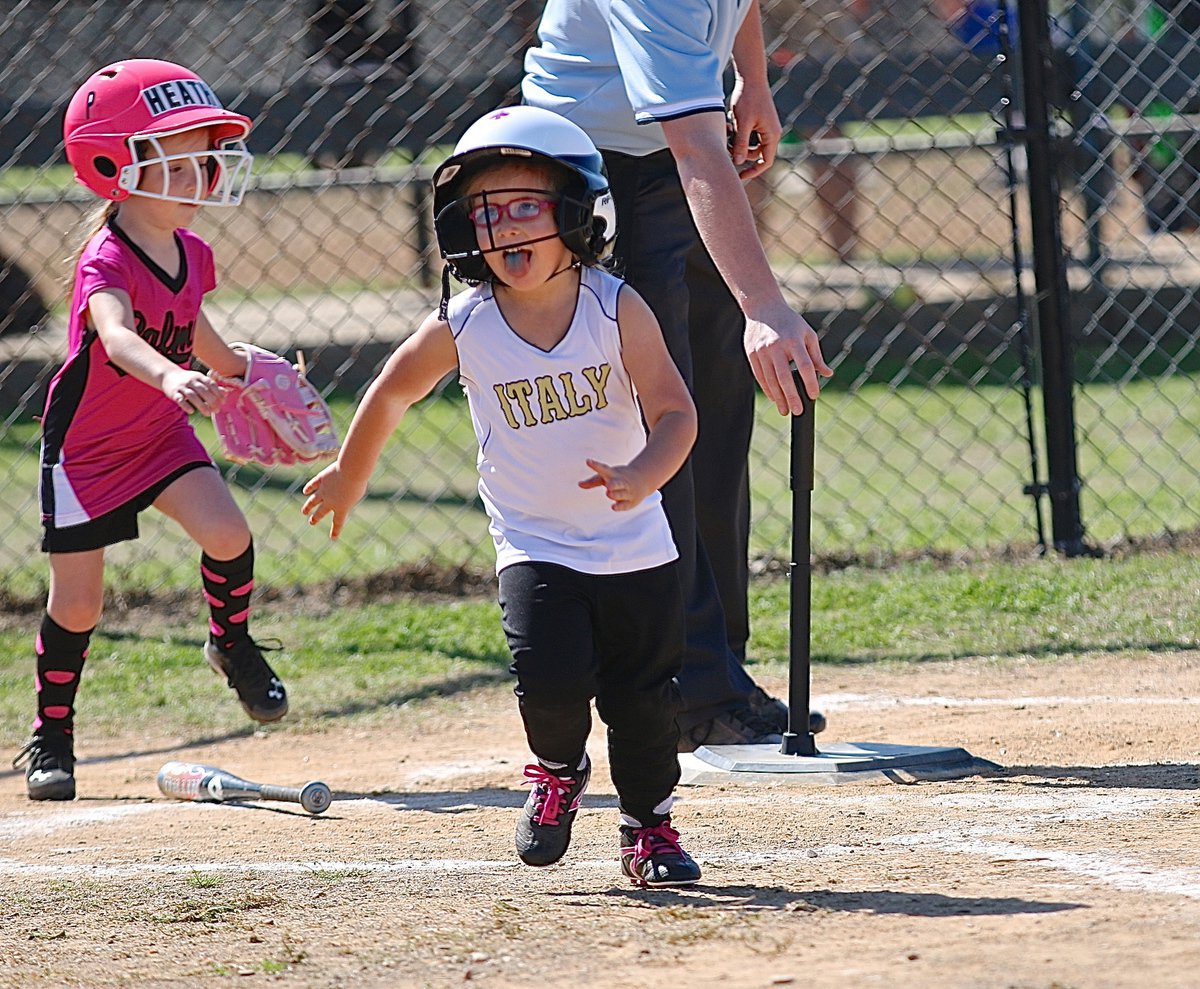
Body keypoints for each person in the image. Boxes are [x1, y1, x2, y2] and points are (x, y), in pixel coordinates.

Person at [302, 105, 702, 887]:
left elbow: (678, 412)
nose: (504, 227)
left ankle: (648, 826)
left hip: (634, 547)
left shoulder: (615, 308)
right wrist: (351, 472)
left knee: (644, 705)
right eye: (486, 212)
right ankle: (558, 771)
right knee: (549, 681)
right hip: (536, 542)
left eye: (527, 206)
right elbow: (390, 393)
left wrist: (645, 473)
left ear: (582, 213)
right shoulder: (466, 321)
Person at [522, 0, 833, 750]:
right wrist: (764, 304)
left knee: (718, 409)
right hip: (597, 169)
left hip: (678, 149)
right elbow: (695, 151)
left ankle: (717, 663)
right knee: (662, 418)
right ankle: (681, 684)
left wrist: (751, 78)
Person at [11, 59, 289, 802]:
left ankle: (230, 645)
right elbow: (116, 335)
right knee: (78, 604)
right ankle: (52, 735)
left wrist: (261, 379)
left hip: (159, 435)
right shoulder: (106, 255)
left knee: (229, 534)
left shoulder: (194, 253)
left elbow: (206, 340)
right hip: (88, 448)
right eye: (183, 152)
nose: (204, 168)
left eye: (207, 152)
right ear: (118, 164)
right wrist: (168, 376)